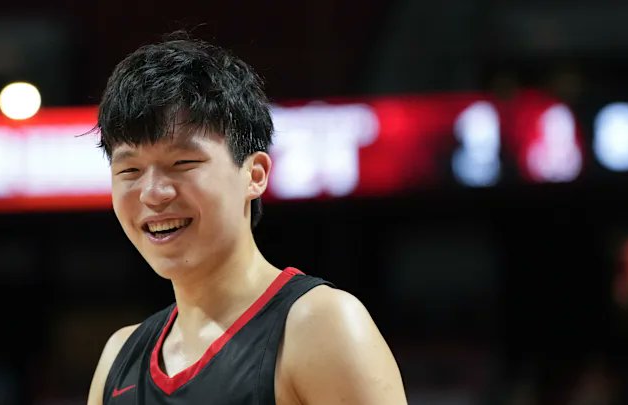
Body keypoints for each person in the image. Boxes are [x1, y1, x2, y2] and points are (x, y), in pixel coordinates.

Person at [87, 33, 407, 405]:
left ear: (255, 175)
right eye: (130, 170)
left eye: (183, 163)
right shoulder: (119, 358)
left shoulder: (320, 326)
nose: (153, 193)